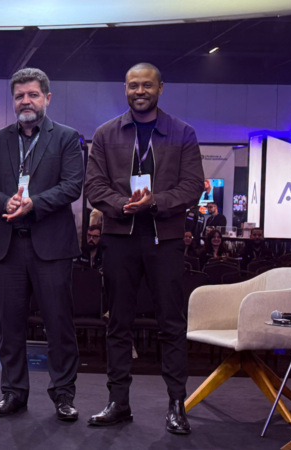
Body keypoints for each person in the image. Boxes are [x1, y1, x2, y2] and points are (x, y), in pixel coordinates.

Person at [84, 62, 204, 434]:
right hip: (119, 239)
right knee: (118, 323)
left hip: (165, 240)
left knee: (171, 324)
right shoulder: (106, 134)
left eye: (147, 85)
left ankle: (177, 405)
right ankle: (118, 402)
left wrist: (155, 203)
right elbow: (94, 187)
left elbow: (192, 186)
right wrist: (124, 204)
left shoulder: (182, 133)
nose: (140, 91)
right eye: (133, 85)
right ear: (125, 88)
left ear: (160, 88)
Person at [0, 67, 84, 421]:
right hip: (9, 247)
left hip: (52, 247)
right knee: (9, 327)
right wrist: (4, 201)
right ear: (13, 100)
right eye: (20, 95)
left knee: (59, 325)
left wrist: (33, 203)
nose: (26, 101)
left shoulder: (66, 138)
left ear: (47, 98)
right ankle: (13, 393)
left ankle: (63, 395)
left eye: (33, 94)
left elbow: (72, 186)